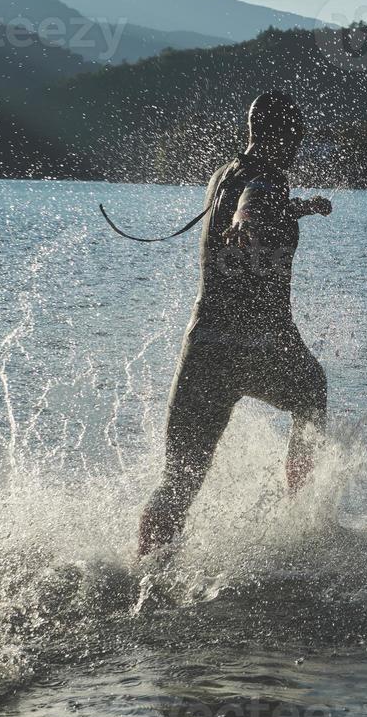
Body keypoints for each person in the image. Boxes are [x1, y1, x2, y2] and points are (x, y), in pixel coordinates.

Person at [138, 93, 333, 557]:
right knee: (313, 392)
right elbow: (252, 205)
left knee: (178, 483)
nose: (296, 149)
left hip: (205, 345)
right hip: (260, 345)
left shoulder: (223, 175)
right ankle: (302, 523)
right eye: (296, 140)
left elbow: (251, 200)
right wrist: (245, 225)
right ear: (286, 138)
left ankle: (141, 574)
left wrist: (301, 207)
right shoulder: (264, 183)